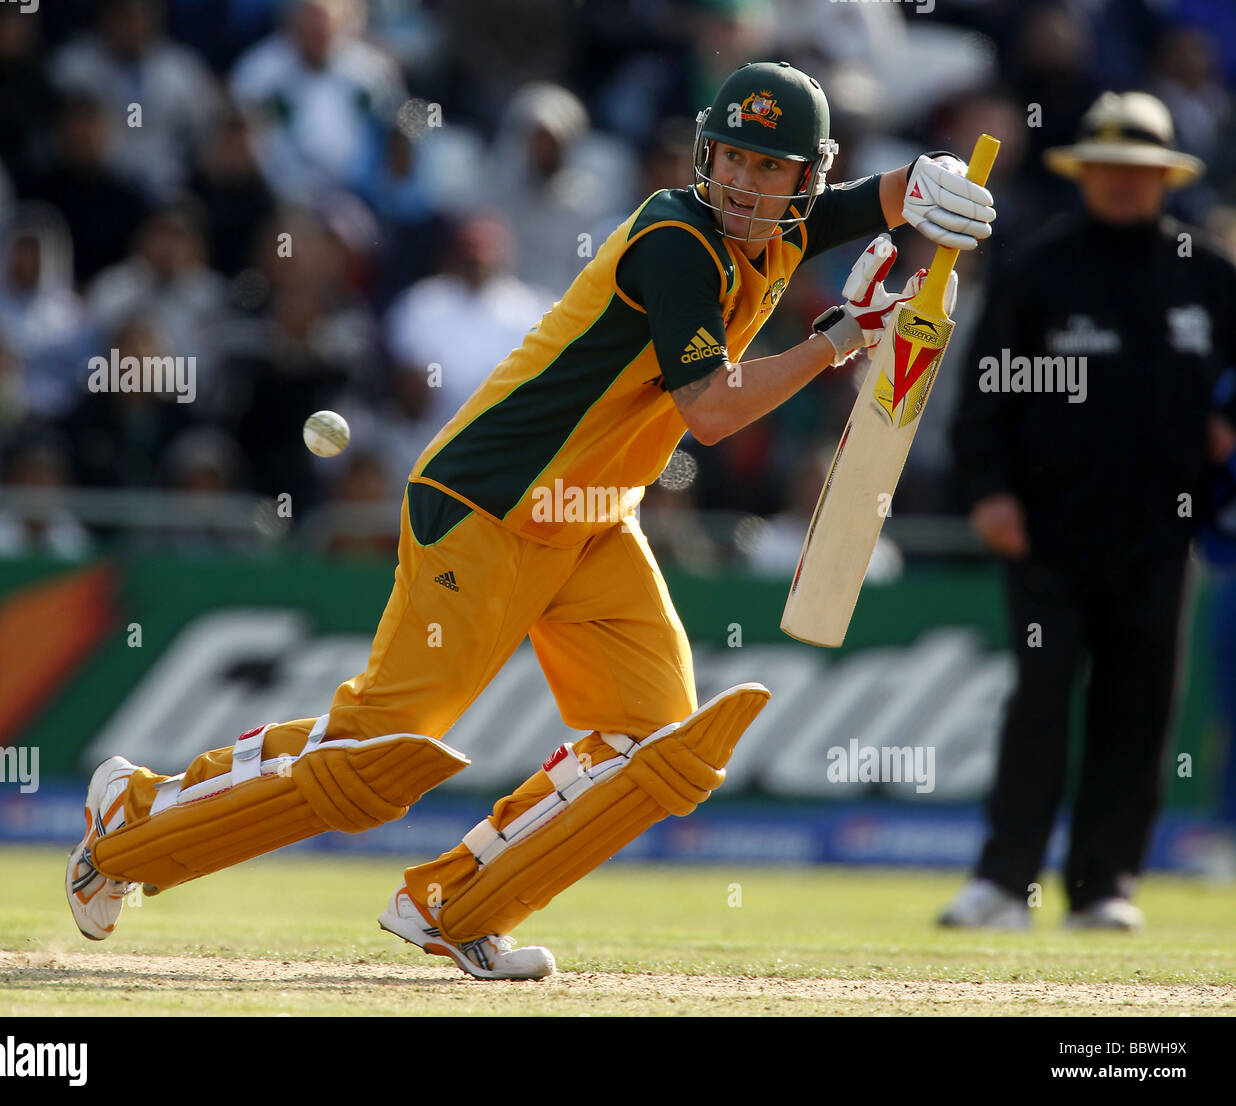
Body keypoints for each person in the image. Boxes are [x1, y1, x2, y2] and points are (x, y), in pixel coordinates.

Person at [66, 61, 995, 978]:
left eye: (770, 167)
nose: (745, 185)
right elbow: (709, 411)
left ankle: (457, 906)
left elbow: (883, 196)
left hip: (592, 517)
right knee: (369, 765)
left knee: (658, 752)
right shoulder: (678, 236)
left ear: (807, 178)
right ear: (706, 155)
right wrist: (838, 340)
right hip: (486, 504)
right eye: (732, 160)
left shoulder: (784, 229)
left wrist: (930, 182)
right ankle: (130, 825)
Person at [942, 91, 1236, 931]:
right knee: (1039, 700)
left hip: (1162, 535)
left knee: (1137, 708)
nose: (1120, 184)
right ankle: (1004, 884)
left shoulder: (1206, 271)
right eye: (1106, 168)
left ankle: (1106, 887)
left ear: (1165, 178)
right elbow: (981, 393)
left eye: (1138, 171)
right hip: (1048, 531)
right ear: (1084, 174)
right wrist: (991, 490)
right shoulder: (1040, 267)